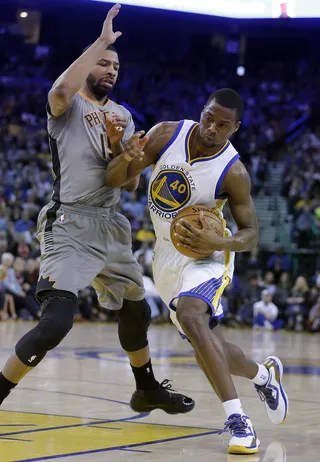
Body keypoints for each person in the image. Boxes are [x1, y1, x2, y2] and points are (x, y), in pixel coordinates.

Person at [0, 4, 194, 416]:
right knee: (56, 324)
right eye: (103, 63)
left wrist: (128, 157)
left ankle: (146, 390)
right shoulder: (68, 107)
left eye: (115, 66)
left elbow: (123, 182)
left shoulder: (122, 115)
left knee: (137, 311)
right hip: (69, 222)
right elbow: (58, 92)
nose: (110, 69)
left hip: (111, 224)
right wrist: (101, 42)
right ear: (87, 63)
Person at [105, 88, 289, 454]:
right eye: (209, 117)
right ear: (202, 110)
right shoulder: (165, 134)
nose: (212, 127)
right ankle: (264, 375)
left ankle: (239, 422)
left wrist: (218, 244)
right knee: (208, 344)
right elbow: (117, 180)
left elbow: (251, 235)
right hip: (165, 258)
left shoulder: (234, 171)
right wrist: (122, 156)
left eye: (223, 124)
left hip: (208, 256)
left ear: (234, 128)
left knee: (192, 316)